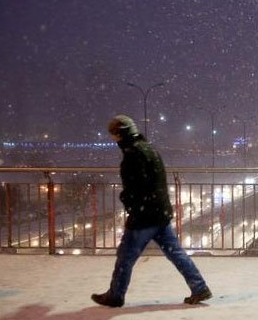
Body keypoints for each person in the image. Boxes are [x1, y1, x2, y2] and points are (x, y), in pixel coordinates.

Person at [91, 115, 212, 307]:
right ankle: (199, 287)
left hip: (144, 216)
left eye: (114, 135)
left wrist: (129, 202)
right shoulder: (148, 149)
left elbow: (135, 187)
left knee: (125, 256)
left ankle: (115, 295)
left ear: (121, 134)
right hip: (160, 213)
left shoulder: (133, 154)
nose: (113, 139)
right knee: (176, 253)